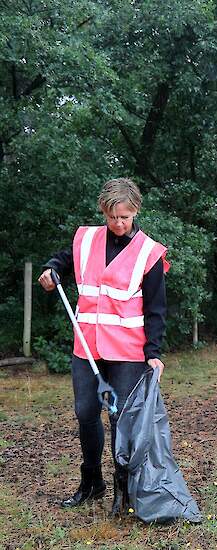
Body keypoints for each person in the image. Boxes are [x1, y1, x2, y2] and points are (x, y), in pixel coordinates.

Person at [38, 178, 169, 513]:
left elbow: (156, 309)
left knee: (121, 418)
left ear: (135, 211)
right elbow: (62, 261)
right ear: (104, 212)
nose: (118, 223)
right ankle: (92, 480)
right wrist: (52, 271)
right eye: (113, 217)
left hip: (127, 352)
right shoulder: (87, 239)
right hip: (87, 346)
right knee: (85, 412)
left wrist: (153, 354)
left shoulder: (148, 252)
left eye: (125, 217)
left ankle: (123, 489)